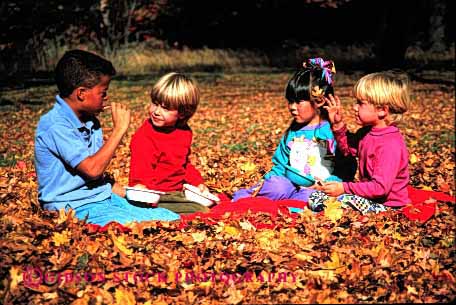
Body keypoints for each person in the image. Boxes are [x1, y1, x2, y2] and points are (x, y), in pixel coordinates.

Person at [34, 49, 179, 225]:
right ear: (81, 93)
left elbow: (95, 177)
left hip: (98, 197)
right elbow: (92, 170)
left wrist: (129, 193)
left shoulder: (90, 121)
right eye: (103, 93)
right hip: (70, 206)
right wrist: (119, 129)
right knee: (138, 225)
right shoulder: (56, 125)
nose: (107, 97)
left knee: (169, 217)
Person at [232, 58, 342, 202]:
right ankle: (250, 198)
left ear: (320, 101)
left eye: (298, 102)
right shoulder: (293, 132)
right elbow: (281, 165)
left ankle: (292, 206)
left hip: (319, 188)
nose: (292, 107)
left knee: (309, 198)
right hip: (289, 184)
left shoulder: (331, 131)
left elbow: (344, 165)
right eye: (290, 101)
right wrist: (264, 184)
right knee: (277, 187)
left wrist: (329, 184)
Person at [311, 70, 411, 214]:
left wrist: (344, 188)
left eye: (360, 103)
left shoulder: (390, 145)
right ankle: (326, 212)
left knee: (340, 201)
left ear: (382, 110)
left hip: (388, 206)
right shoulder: (366, 133)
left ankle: (327, 214)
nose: (354, 107)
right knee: (316, 196)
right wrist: (338, 125)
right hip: (368, 198)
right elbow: (348, 150)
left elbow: (380, 188)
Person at [128, 72, 211, 212]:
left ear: (183, 113)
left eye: (165, 108)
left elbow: (183, 164)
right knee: (200, 211)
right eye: (155, 104)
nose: (156, 111)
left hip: (177, 192)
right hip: (156, 195)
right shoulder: (145, 136)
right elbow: (140, 175)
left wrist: (198, 183)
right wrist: (143, 192)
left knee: (209, 201)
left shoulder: (184, 132)